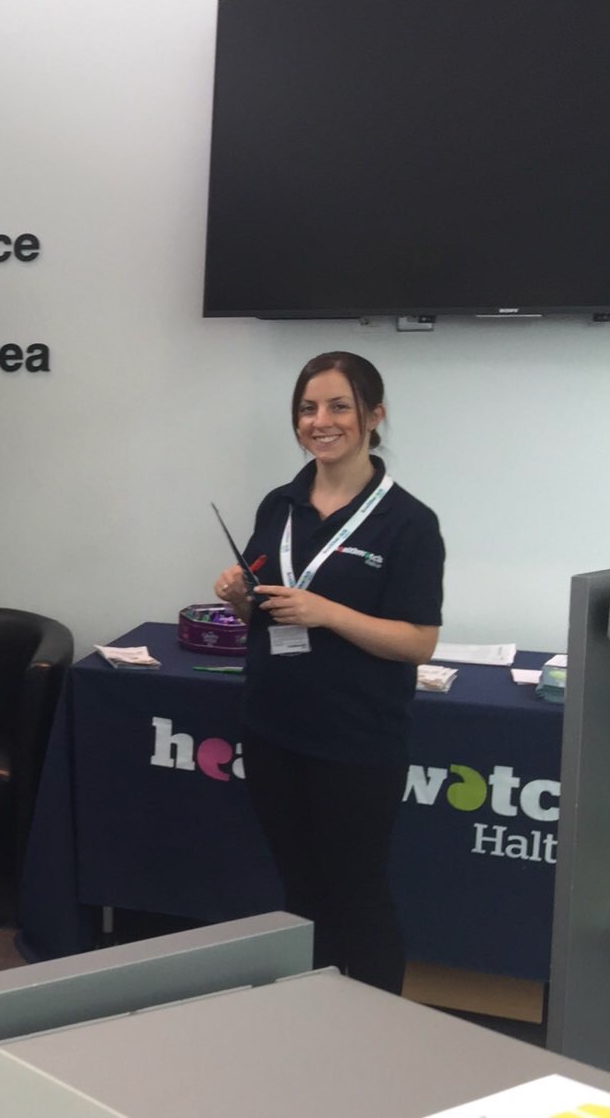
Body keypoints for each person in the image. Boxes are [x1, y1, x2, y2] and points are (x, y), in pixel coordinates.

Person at [212, 351, 443, 994]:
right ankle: (311, 1011)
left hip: (355, 741)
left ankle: (372, 1023)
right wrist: (238, 597)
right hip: (273, 729)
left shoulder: (409, 522)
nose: (321, 421)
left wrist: (328, 612)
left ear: (374, 416)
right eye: (308, 408)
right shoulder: (279, 504)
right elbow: (266, 609)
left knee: (356, 893)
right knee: (300, 888)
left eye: (340, 406)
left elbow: (420, 642)